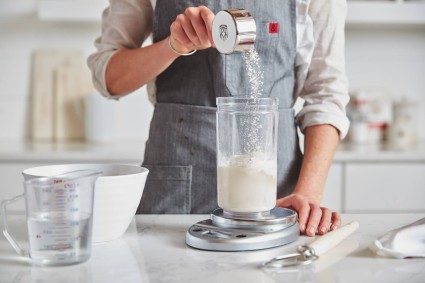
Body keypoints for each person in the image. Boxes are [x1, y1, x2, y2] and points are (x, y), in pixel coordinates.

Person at [88, 0, 350, 237]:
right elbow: (109, 78)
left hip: (277, 197)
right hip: (173, 199)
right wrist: (174, 45)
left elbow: (326, 95)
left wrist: (307, 194)